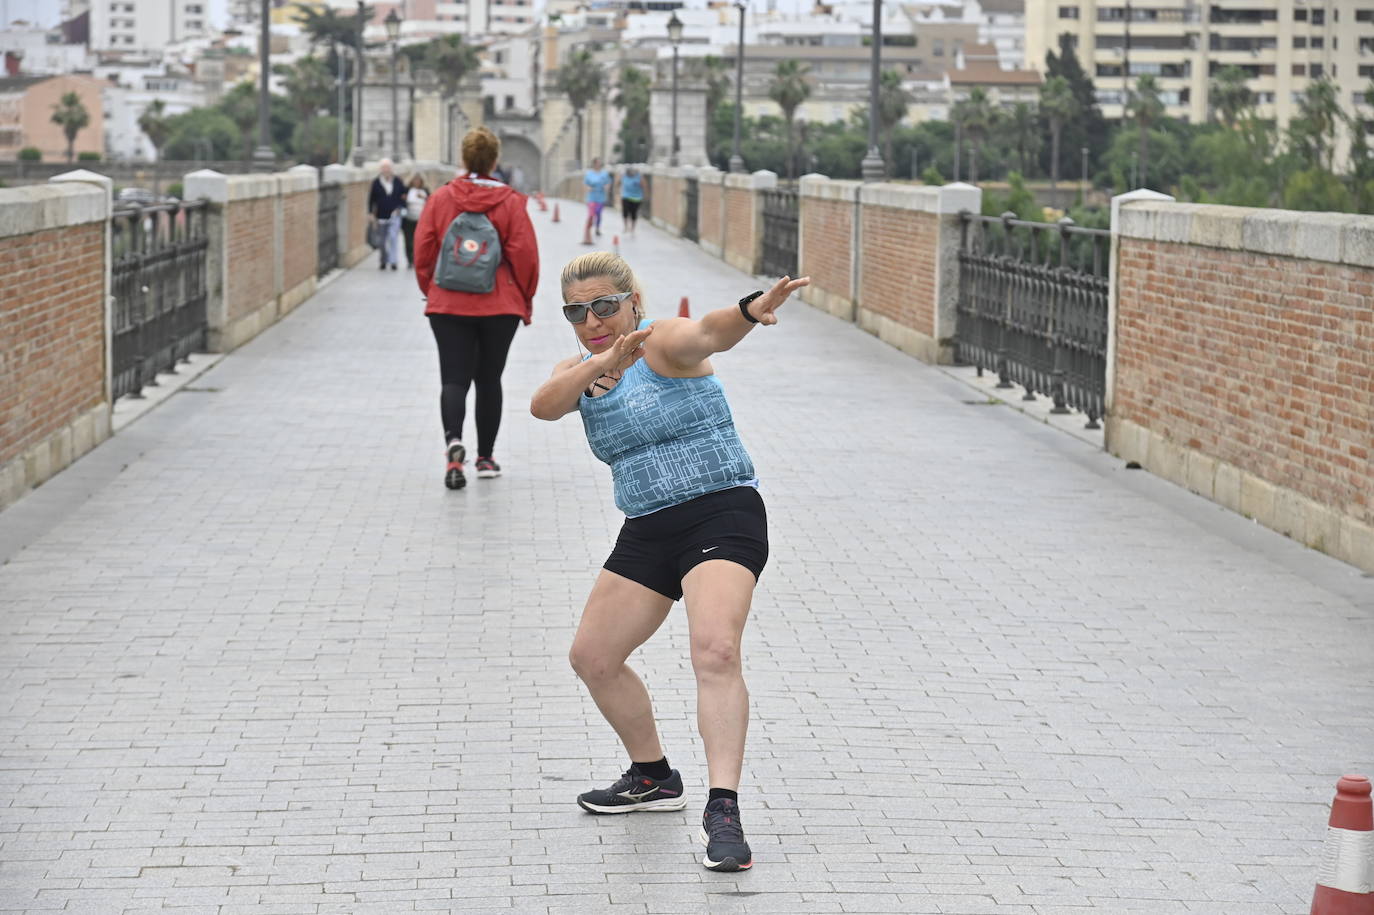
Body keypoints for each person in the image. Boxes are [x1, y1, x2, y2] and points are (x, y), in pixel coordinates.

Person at [529, 252, 809, 873]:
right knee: (593, 659)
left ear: (632, 301)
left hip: (721, 511)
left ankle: (724, 808)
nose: (593, 320)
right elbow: (544, 405)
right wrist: (601, 364)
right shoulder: (582, 369)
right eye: (577, 311)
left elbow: (709, 332)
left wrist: (748, 311)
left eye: (605, 305)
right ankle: (653, 775)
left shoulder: (663, 343)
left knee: (715, 650)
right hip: (649, 527)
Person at [415, 127, 539, 489]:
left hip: (448, 302)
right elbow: (525, 256)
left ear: (464, 158)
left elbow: (423, 249)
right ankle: (485, 458)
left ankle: (454, 445)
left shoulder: (440, 198)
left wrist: (433, 289)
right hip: (499, 305)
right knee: (489, 379)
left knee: (453, 378)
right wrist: (524, 298)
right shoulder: (511, 201)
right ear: (494, 160)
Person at [368, 158, 406, 270]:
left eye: (388, 167)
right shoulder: (376, 182)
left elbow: (403, 196)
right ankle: (383, 260)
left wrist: (400, 207)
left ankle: (394, 261)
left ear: (391, 169)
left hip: (395, 214)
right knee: (382, 240)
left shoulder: (398, 181)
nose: (386, 170)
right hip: (381, 215)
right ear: (380, 169)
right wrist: (370, 213)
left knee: (393, 237)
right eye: (384, 168)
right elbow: (371, 199)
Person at [582, 157, 611, 245]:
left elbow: (608, 182)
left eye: (599, 163)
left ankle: (597, 228)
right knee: (591, 214)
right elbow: (585, 184)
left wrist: (607, 187)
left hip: (600, 196)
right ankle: (589, 228)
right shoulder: (589, 174)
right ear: (594, 164)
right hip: (591, 196)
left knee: (598, 213)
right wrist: (588, 188)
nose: (598, 164)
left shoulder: (604, 174)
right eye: (597, 163)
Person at [401, 175, 428, 270]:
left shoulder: (425, 190)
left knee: (419, 242)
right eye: (415, 180)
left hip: (421, 221)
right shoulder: (407, 190)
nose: (416, 182)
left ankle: (417, 260)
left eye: (418, 181)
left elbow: (431, 201)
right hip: (408, 220)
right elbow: (401, 201)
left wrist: (424, 197)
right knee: (408, 241)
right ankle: (410, 261)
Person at [620, 166, 645, 238]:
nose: (632, 173)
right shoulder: (624, 176)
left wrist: (644, 195)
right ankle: (625, 227)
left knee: (634, 213)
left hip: (636, 198)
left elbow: (643, 185)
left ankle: (632, 229)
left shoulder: (638, 177)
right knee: (625, 212)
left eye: (633, 171)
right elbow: (618, 183)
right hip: (626, 196)